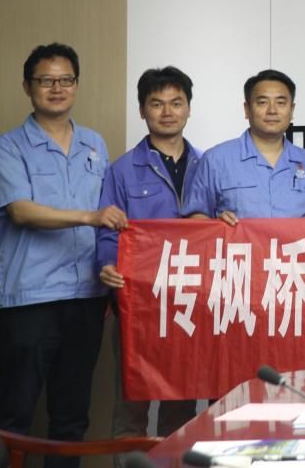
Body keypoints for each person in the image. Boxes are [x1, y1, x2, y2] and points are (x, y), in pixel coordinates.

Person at [0, 43, 122, 467]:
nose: (57, 88)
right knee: (15, 414)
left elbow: (111, 215)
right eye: (46, 80)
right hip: (29, 298)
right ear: (28, 86)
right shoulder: (9, 146)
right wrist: (89, 217)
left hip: (85, 298)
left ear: (76, 85)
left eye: (66, 80)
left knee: (71, 418)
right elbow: (21, 211)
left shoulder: (94, 144)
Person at [96, 67, 200, 455]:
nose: (167, 112)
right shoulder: (122, 170)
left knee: (182, 409)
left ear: (189, 108)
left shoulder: (208, 165)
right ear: (142, 110)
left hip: (189, 304)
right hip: (136, 304)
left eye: (176, 103)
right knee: (131, 409)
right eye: (157, 104)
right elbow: (108, 230)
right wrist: (106, 265)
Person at [180, 69, 305, 221]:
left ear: (292, 110)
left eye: (281, 103)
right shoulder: (216, 160)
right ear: (247, 109)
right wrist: (216, 226)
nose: (272, 110)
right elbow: (195, 215)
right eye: (262, 102)